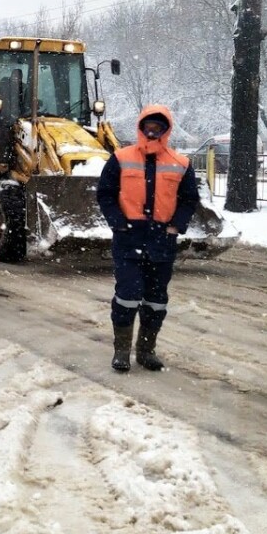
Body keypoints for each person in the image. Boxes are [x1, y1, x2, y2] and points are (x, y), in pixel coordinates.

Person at [95, 105, 200, 372]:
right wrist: (118, 223)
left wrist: (177, 225)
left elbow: (189, 200)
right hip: (129, 238)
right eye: (148, 127)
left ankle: (146, 350)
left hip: (162, 241)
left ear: (166, 131)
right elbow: (105, 194)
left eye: (158, 127)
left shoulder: (181, 164)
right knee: (128, 294)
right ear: (141, 128)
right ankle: (121, 351)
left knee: (156, 299)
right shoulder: (120, 158)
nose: (152, 131)